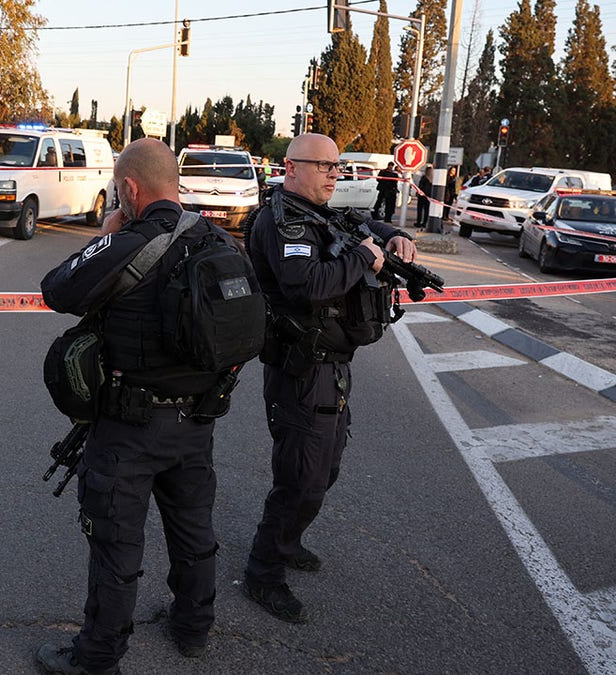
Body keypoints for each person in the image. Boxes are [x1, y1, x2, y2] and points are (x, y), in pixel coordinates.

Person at [37, 138, 248, 674]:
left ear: (129, 189)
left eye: (117, 189)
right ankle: (193, 628)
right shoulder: (218, 240)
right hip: (197, 422)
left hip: (129, 427)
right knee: (194, 530)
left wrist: (103, 237)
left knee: (115, 543)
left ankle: (97, 657)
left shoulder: (128, 241)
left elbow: (57, 290)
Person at [241, 133, 417, 624]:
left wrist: (391, 235)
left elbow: (363, 223)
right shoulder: (283, 222)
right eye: (325, 167)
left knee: (326, 468)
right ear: (291, 168)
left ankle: (289, 540)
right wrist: (365, 257)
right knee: (299, 477)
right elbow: (307, 286)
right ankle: (263, 572)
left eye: (338, 168)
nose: (334, 176)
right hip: (301, 369)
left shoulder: (319, 212)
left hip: (331, 366)